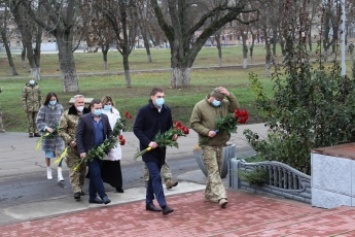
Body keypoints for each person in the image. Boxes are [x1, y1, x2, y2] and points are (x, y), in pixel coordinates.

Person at [190, 86, 239, 208]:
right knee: (214, 170)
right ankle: (221, 196)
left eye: (221, 100)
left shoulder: (223, 104)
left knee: (215, 169)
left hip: (220, 143)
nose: (219, 102)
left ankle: (209, 194)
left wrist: (228, 94)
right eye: (217, 100)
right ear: (211, 97)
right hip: (207, 144)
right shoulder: (200, 106)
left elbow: (235, 107)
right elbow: (194, 123)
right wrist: (207, 132)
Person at [133, 87, 175, 215]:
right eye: (158, 97)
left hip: (161, 149)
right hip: (148, 150)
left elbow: (170, 128)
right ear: (152, 97)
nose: (161, 99)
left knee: (153, 177)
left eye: (163, 96)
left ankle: (148, 202)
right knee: (156, 176)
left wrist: (173, 135)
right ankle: (163, 205)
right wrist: (148, 142)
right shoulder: (144, 111)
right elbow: (136, 129)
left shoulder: (167, 110)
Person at [76, 99, 112, 205]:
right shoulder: (84, 119)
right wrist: (81, 150)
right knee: (96, 173)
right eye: (97, 108)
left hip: (101, 150)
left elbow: (109, 131)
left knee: (94, 174)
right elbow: (79, 135)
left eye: (100, 108)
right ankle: (103, 195)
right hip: (89, 152)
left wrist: (110, 139)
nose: (99, 110)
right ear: (91, 108)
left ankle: (92, 197)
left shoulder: (104, 118)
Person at [58, 95, 90, 201]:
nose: (81, 105)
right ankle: (76, 190)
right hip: (72, 146)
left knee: (83, 168)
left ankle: (80, 186)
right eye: (79, 103)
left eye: (82, 103)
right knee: (74, 167)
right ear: (74, 104)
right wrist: (70, 140)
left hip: (85, 146)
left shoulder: (88, 113)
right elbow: (61, 130)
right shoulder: (67, 114)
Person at [36, 92, 65, 181]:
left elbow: (63, 119)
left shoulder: (60, 107)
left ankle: (59, 173)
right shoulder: (43, 108)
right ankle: (48, 169)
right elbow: (39, 121)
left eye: (54, 99)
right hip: (48, 135)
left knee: (59, 153)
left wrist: (61, 127)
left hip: (58, 135)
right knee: (48, 153)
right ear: (48, 100)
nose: (53, 101)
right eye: (51, 100)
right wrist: (46, 127)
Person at [101, 96, 124, 193]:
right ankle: (103, 180)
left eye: (109, 103)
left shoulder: (116, 112)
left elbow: (120, 125)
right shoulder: (101, 113)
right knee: (104, 163)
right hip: (105, 140)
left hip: (114, 140)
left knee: (115, 163)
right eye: (106, 104)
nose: (108, 105)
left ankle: (118, 185)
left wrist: (119, 135)